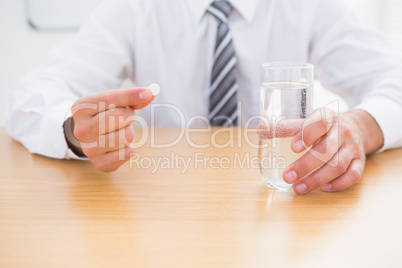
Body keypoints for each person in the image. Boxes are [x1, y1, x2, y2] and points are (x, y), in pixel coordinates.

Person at [5, 0, 402, 194]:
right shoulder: (135, 8)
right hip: (166, 205)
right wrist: (77, 131)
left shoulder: (310, 5)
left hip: (280, 200)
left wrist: (360, 126)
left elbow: (393, 79)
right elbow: (28, 97)